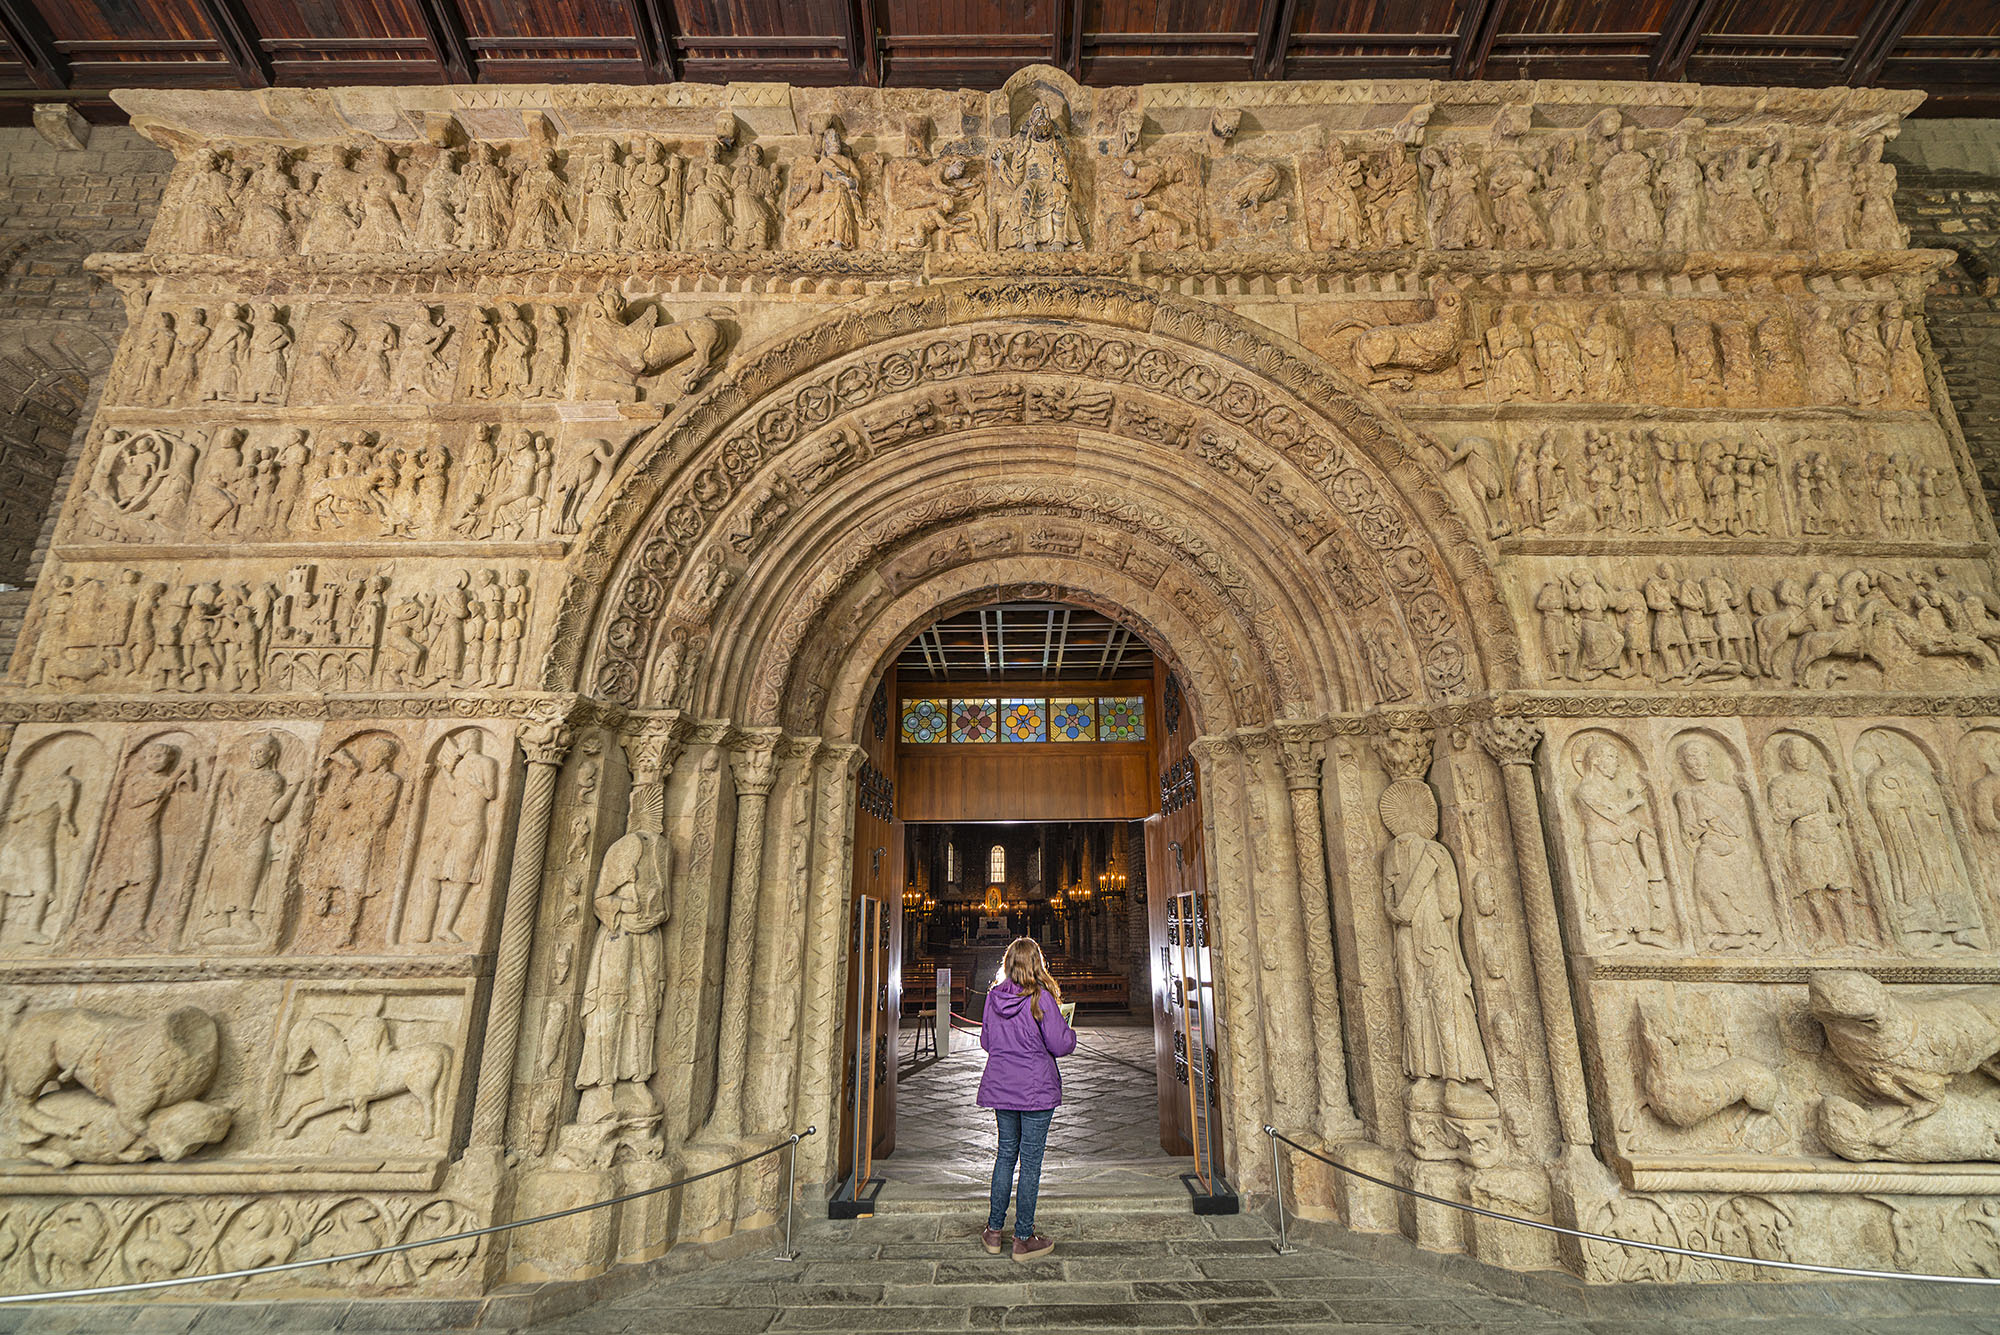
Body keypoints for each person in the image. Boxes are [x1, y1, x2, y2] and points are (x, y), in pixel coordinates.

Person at [977, 937, 1077, 1262]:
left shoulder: (993, 998)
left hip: (1003, 1085)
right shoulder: (1041, 998)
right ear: (1037, 963)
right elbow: (1061, 1044)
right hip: (1035, 1089)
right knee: (1030, 1163)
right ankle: (1022, 1238)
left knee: (1005, 1154)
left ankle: (993, 1232)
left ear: (1008, 964)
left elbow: (987, 1041)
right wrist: (1070, 1031)